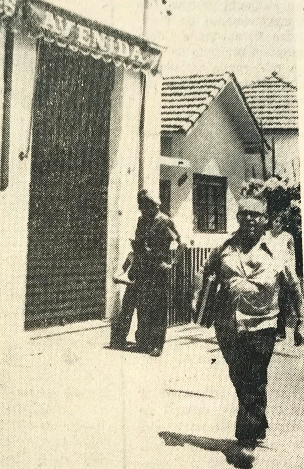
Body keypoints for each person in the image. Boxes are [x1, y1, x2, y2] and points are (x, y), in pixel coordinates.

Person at [202, 193, 304, 466]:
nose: (249, 219)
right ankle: (257, 421)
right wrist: (199, 301)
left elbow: (293, 286)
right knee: (239, 377)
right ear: (237, 217)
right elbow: (208, 273)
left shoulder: (278, 249)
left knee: (253, 377)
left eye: (255, 214)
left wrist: (301, 321)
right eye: (244, 213)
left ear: (265, 220)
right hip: (228, 325)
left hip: (263, 323)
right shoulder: (223, 247)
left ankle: (245, 441)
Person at [111, 190, 180, 357]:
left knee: (157, 308)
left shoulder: (165, 221)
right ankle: (137, 340)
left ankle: (157, 344)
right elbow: (136, 247)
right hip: (140, 269)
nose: (142, 212)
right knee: (137, 304)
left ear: (153, 206)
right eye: (141, 209)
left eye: (145, 208)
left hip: (157, 271)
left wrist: (171, 264)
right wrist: (124, 268)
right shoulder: (142, 221)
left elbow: (180, 243)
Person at [265, 212, 298, 341]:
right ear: (272, 222)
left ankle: (281, 331)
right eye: (275, 221)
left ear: (283, 224)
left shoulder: (287, 237)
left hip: (282, 273)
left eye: (280, 222)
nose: (277, 224)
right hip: (268, 273)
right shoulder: (266, 235)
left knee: (281, 303)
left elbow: (291, 256)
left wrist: (291, 273)